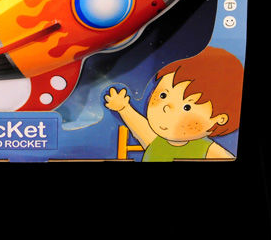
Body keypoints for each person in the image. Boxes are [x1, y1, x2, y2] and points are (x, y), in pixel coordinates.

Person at [104, 46, 243, 161]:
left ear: (220, 118)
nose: (166, 107)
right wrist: (123, 107)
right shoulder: (156, 142)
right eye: (163, 95)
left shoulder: (207, 150)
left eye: (187, 107)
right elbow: (139, 126)